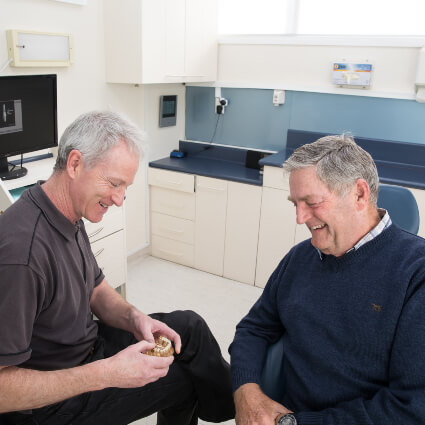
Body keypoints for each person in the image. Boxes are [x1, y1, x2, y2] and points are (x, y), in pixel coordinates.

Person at [0, 111, 234, 425]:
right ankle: (238, 410)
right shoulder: (22, 255)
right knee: (185, 377)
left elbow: (95, 288)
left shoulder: (65, 210)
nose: (120, 199)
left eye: (126, 187)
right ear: (74, 164)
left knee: (188, 328)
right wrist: (107, 374)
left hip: (86, 347)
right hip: (48, 405)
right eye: (114, 183)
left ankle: (238, 406)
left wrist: (134, 318)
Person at [229, 134, 425, 425]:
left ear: (359, 194)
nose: (300, 218)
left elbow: (410, 408)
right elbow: (254, 328)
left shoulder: (415, 274)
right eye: (294, 203)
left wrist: (294, 423)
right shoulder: (299, 258)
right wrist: (246, 390)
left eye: (311, 202)